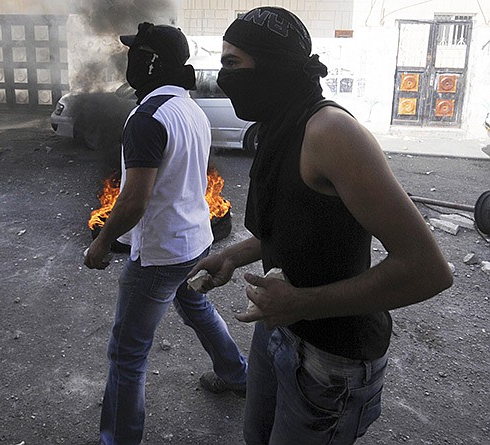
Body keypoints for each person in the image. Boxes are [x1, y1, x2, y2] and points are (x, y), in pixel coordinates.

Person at [187, 6, 453, 445]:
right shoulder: (276, 122)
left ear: (272, 66)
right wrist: (234, 255)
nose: (223, 75)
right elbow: (296, 222)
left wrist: (301, 304)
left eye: (233, 63)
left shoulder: (331, 133)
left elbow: (428, 270)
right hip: (279, 330)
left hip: (332, 359)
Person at [84, 22, 248, 445]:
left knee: (128, 355)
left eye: (135, 54)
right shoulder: (188, 108)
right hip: (196, 240)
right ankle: (236, 373)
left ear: (151, 62)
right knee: (197, 309)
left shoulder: (147, 117)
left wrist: (102, 242)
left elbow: (135, 200)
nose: (128, 62)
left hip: (160, 254)